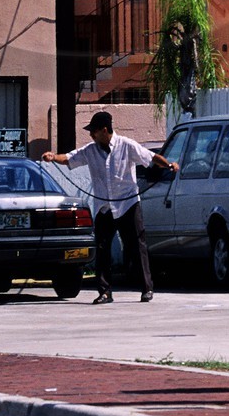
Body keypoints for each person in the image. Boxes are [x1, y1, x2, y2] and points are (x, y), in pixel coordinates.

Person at [42, 111, 178, 303]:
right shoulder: (90, 150)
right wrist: (53, 157)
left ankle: (147, 288)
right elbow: (70, 158)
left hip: (127, 204)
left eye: (94, 131)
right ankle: (105, 292)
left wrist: (169, 165)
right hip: (104, 207)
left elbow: (151, 157)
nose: (91, 135)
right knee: (102, 248)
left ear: (104, 130)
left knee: (137, 246)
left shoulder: (127, 145)